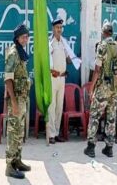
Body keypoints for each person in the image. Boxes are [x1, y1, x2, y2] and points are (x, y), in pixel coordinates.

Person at [84, 22, 117, 158]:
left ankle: (91, 147)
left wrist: (91, 88)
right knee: (111, 117)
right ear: (112, 33)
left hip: (103, 87)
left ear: (103, 32)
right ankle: (109, 148)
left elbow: (97, 70)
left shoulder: (102, 46)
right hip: (115, 88)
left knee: (95, 115)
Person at [4, 24, 31, 179]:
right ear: (17, 38)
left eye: (27, 36)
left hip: (22, 98)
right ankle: (9, 166)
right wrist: (13, 102)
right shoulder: (13, 53)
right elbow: (8, 79)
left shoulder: (21, 52)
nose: (26, 39)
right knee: (13, 132)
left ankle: (17, 161)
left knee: (19, 131)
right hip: (16, 100)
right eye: (23, 37)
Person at [47, 16, 70, 144]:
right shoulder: (50, 43)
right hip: (53, 77)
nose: (59, 29)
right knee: (52, 105)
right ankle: (50, 134)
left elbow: (67, 58)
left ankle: (56, 133)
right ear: (53, 28)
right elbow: (47, 62)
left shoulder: (63, 42)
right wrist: (52, 70)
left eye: (61, 27)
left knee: (59, 107)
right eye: (57, 27)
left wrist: (75, 59)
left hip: (62, 78)